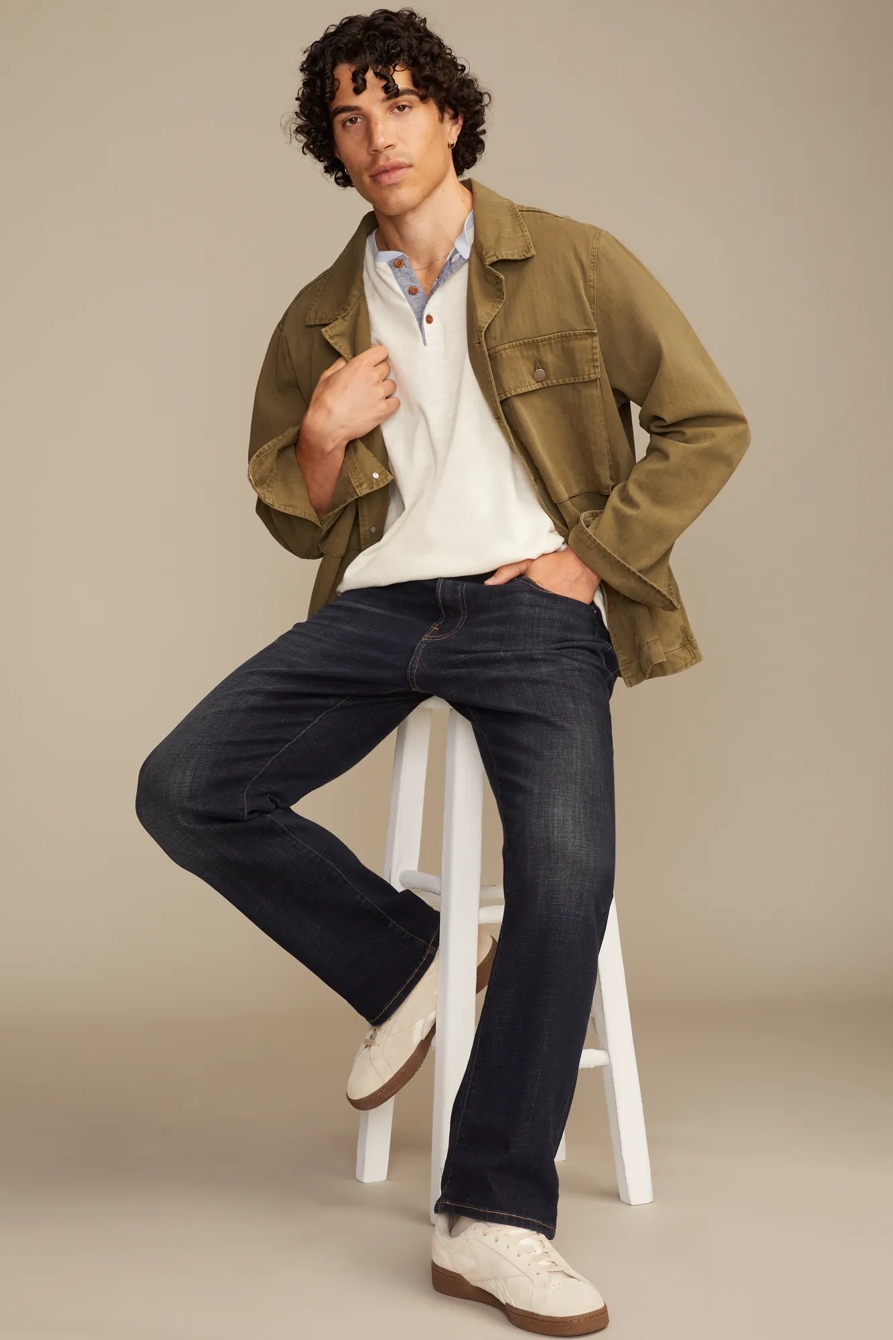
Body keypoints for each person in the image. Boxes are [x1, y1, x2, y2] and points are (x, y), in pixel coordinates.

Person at [135, 9, 750, 1334]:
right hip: (380, 606)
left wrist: (590, 559)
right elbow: (297, 512)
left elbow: (707, 422)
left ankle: (492, 1218)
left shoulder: (573, 260)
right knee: (185, 788)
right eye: (350, 119)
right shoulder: (320, 313)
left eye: (401, 104)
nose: (378, 136)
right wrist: (320, 431)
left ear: (452, 116)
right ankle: (414, 960)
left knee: (567, 876)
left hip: (535, 609)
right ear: (334, 148)